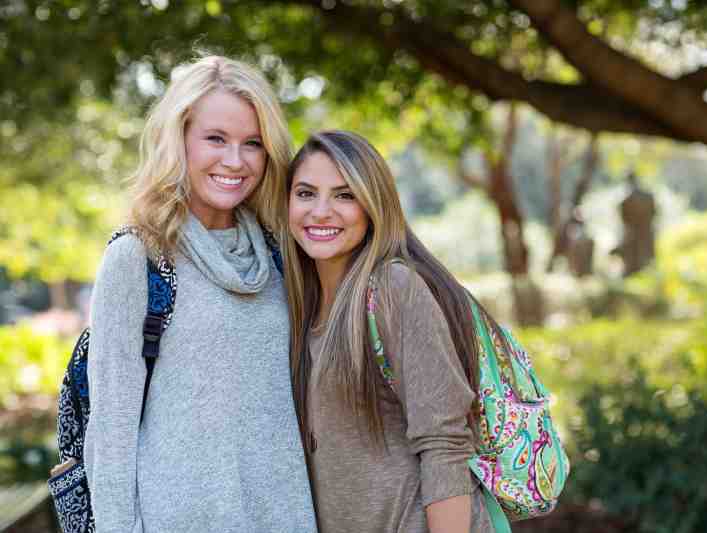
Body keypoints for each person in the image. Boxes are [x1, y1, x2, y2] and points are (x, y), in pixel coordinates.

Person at [83, 55, 317, 532]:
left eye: (252, 143)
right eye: (215, 139)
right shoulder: (139, 256)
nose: (235, 161)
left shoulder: (281, 254)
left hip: (282, 517)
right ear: (180, 138)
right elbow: (111, 429)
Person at [284, 130, 495, 532]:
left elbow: (445, 445)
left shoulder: (393, 289)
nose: (321, 211)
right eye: (306, 193)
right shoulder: (303, 307)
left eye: (345, 195)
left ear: (373, 206)